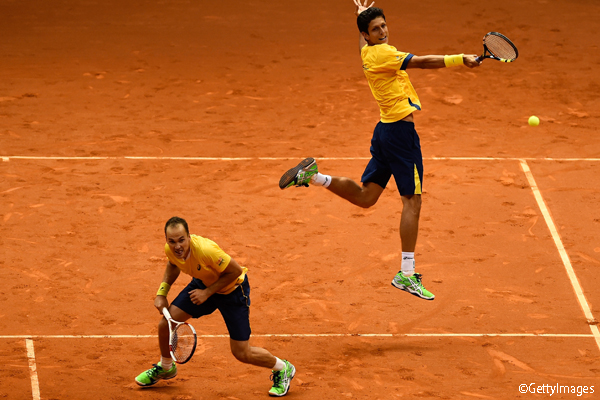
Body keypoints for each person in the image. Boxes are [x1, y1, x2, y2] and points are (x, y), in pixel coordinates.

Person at [279, 0, 481, 301]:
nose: (383, 31)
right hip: (400, 134)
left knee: (366, 197)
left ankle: (314, 176)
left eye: (384, 25)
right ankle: (407, 274)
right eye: (376, 29)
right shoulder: (384, 54)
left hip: (385, 131)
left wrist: (362, 16)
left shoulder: (366, 51)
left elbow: (362, 37)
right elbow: (423, 62)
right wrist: (459, 58)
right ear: (368, 35)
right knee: (412, 202)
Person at [135, 216, 296, 397]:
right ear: (167, 241)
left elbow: (235, 271)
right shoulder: (171, 250)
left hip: (232, 291)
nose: (177, 246)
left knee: (241, 352)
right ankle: (166, 367)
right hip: (204, 284)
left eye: (181, 240)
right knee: (166, 323)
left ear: (189, 237)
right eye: (172, 241)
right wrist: (162, 292)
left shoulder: (206, 250)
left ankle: (283, 368)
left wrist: (206, 293)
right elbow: (173, 264)